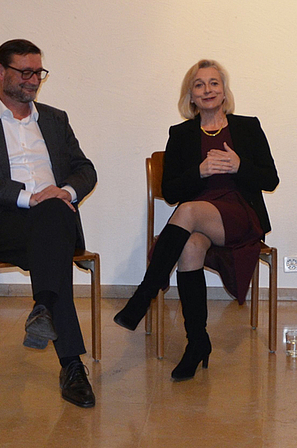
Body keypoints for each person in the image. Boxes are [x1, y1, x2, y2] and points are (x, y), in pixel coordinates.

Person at [114, 59, 279, 382]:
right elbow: (171, 190)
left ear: (224, 90)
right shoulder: (181, 134)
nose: (207, 90)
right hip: (200, 216)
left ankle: (144, 294)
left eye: (214, 83)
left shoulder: (247, 126)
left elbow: (270, 179)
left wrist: (238, 166)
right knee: (189, 247)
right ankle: (197, 342)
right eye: (199, 84)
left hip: (240, 214)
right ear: (190, 95)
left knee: (188, 211)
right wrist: (199, 172)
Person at [0, 40, 97, 407]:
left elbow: (85, 170)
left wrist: (64, 191)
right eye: (24, 72)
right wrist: (30, 196)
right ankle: (71, 366)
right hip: (6, 221)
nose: (33, 80)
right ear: (1, 72)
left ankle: (44, 309)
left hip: (52, 220)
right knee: (54, 256)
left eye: (38, 72)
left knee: (56, 213)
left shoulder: (55, 119)